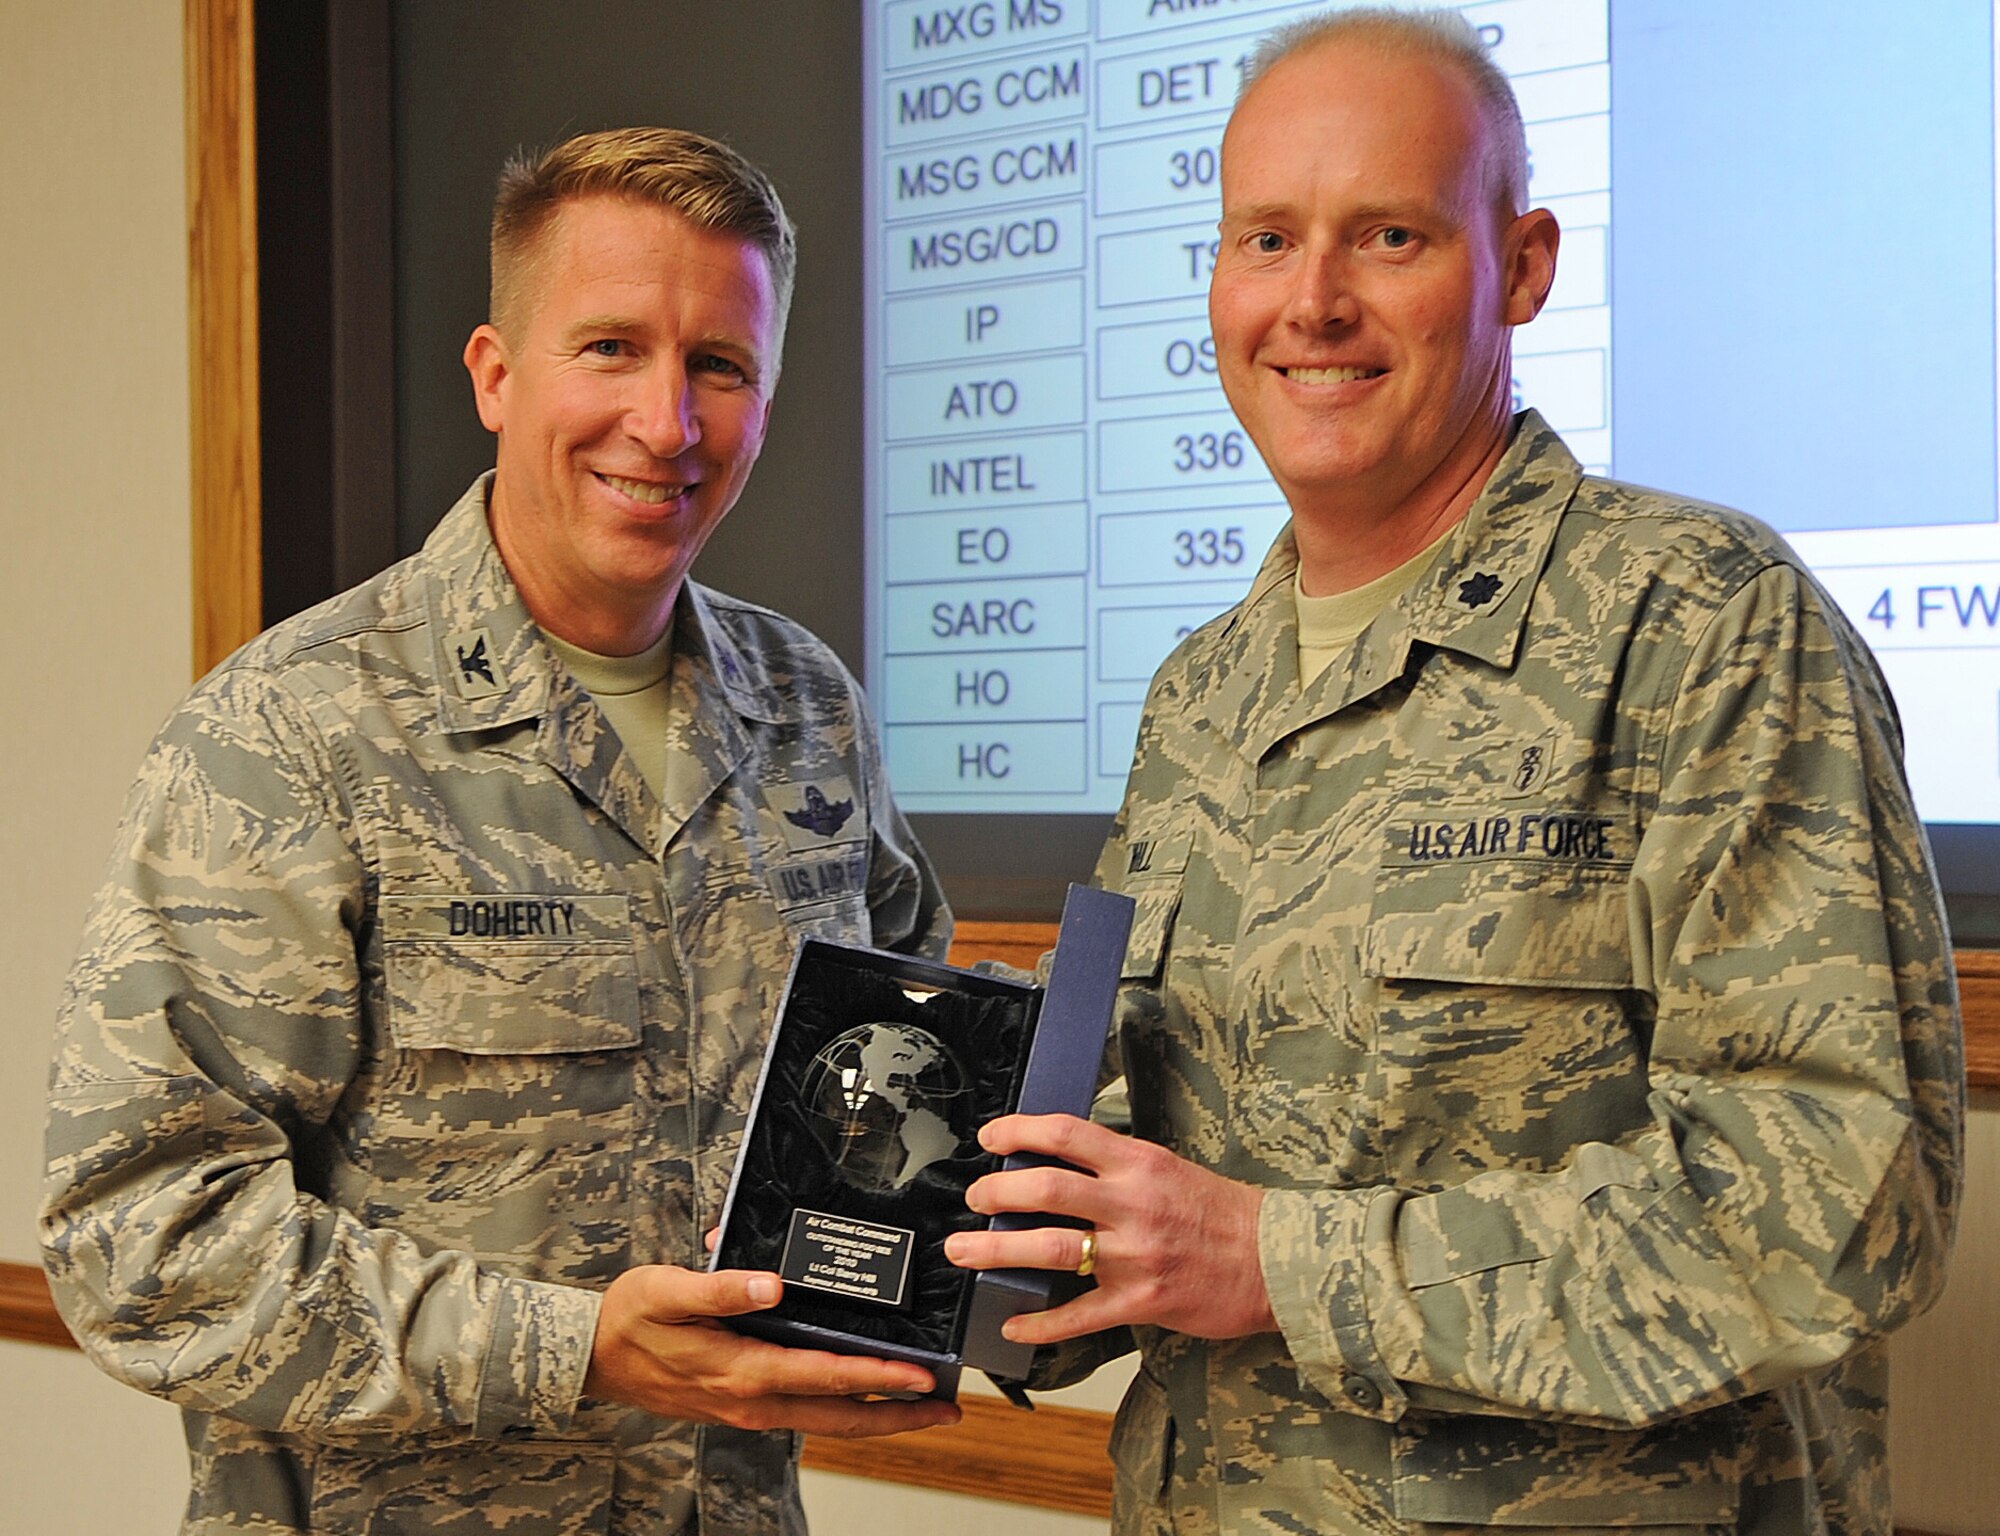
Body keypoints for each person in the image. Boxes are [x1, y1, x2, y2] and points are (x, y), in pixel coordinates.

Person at [945, 10, 1965, 1532]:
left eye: (1393, 237)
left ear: (1525, 266)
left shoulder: (1703, 624)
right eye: (1266, 239)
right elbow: (1172, 1158)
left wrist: (1276, 1261)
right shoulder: (1203, 695)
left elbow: (1835, 1204)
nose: (1314, 303)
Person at [42, 127, 958, 1536]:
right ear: (494, 374)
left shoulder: (808, 714)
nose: (670, 423)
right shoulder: (290, 734)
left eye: (720, 365)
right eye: (609, 348)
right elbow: (142, 1243)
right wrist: (580, 1351)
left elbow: (908, 1079)